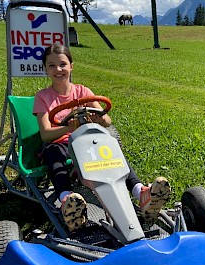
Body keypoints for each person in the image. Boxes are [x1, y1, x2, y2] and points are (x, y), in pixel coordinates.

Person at [33, 44, 171, 232]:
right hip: (60, 143)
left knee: (110, 152)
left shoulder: (82, 92)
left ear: (71, 66)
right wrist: (68, 127)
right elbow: (45, 134)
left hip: (85, 141)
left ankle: (141, 193)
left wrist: (99, 117)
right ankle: (67, 200)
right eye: (51, 66)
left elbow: (107, 120)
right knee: (53, 153)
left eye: (62, 64)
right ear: (45, 69)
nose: (58, 70)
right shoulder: (43, 96)